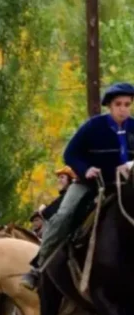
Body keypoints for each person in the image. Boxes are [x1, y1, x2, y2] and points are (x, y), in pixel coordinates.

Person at [22, 83, 134, 289]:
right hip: (90, 185)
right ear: (109, 105)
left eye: (127, 104)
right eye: (118, 104)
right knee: (64, 215)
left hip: (125, 186)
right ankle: (38, 267)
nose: (123, 109)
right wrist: (86, 169)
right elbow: (70, 154)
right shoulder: (93, 127)